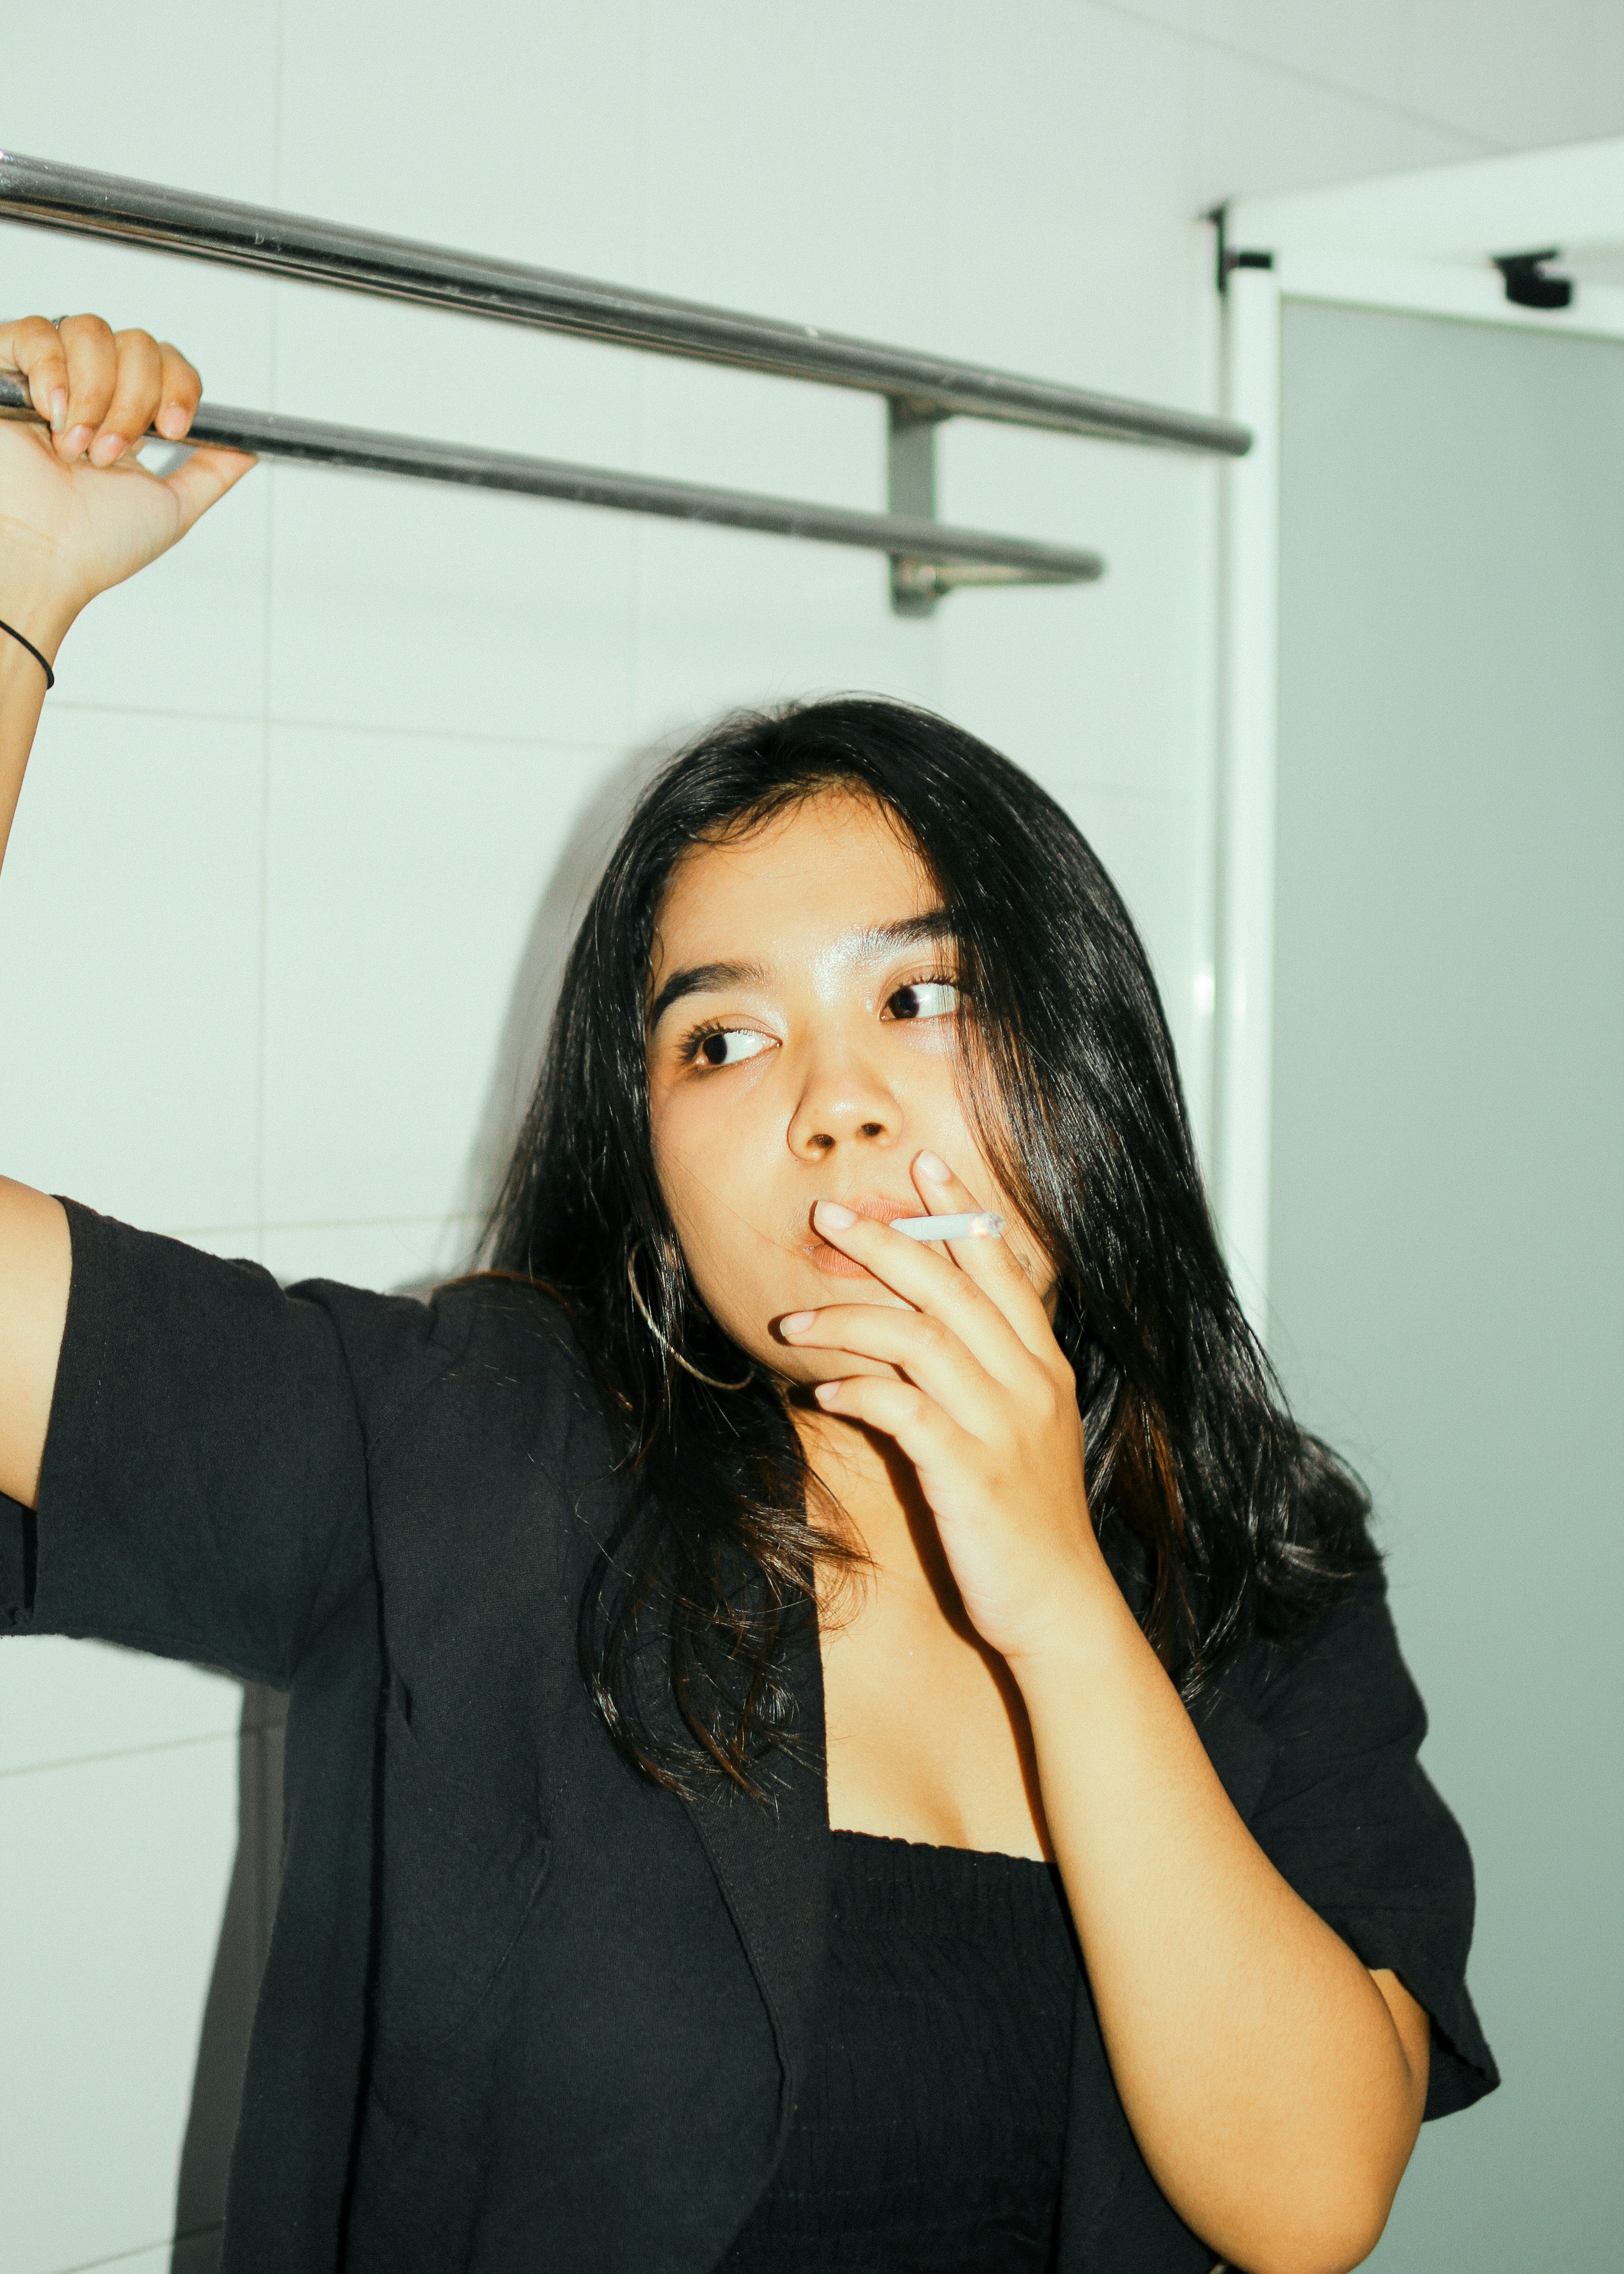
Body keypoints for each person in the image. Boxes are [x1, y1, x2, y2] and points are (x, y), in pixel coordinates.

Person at [0, 315, 1499, 2274]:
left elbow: (1309, 2199)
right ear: (653, 1169)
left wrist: (1058, 1598)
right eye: (721, 1040)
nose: (830, 1106)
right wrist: (16, 595)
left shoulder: (1253, 1549)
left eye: (921, 995)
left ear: (1086, 1056)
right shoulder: (472, 1449)